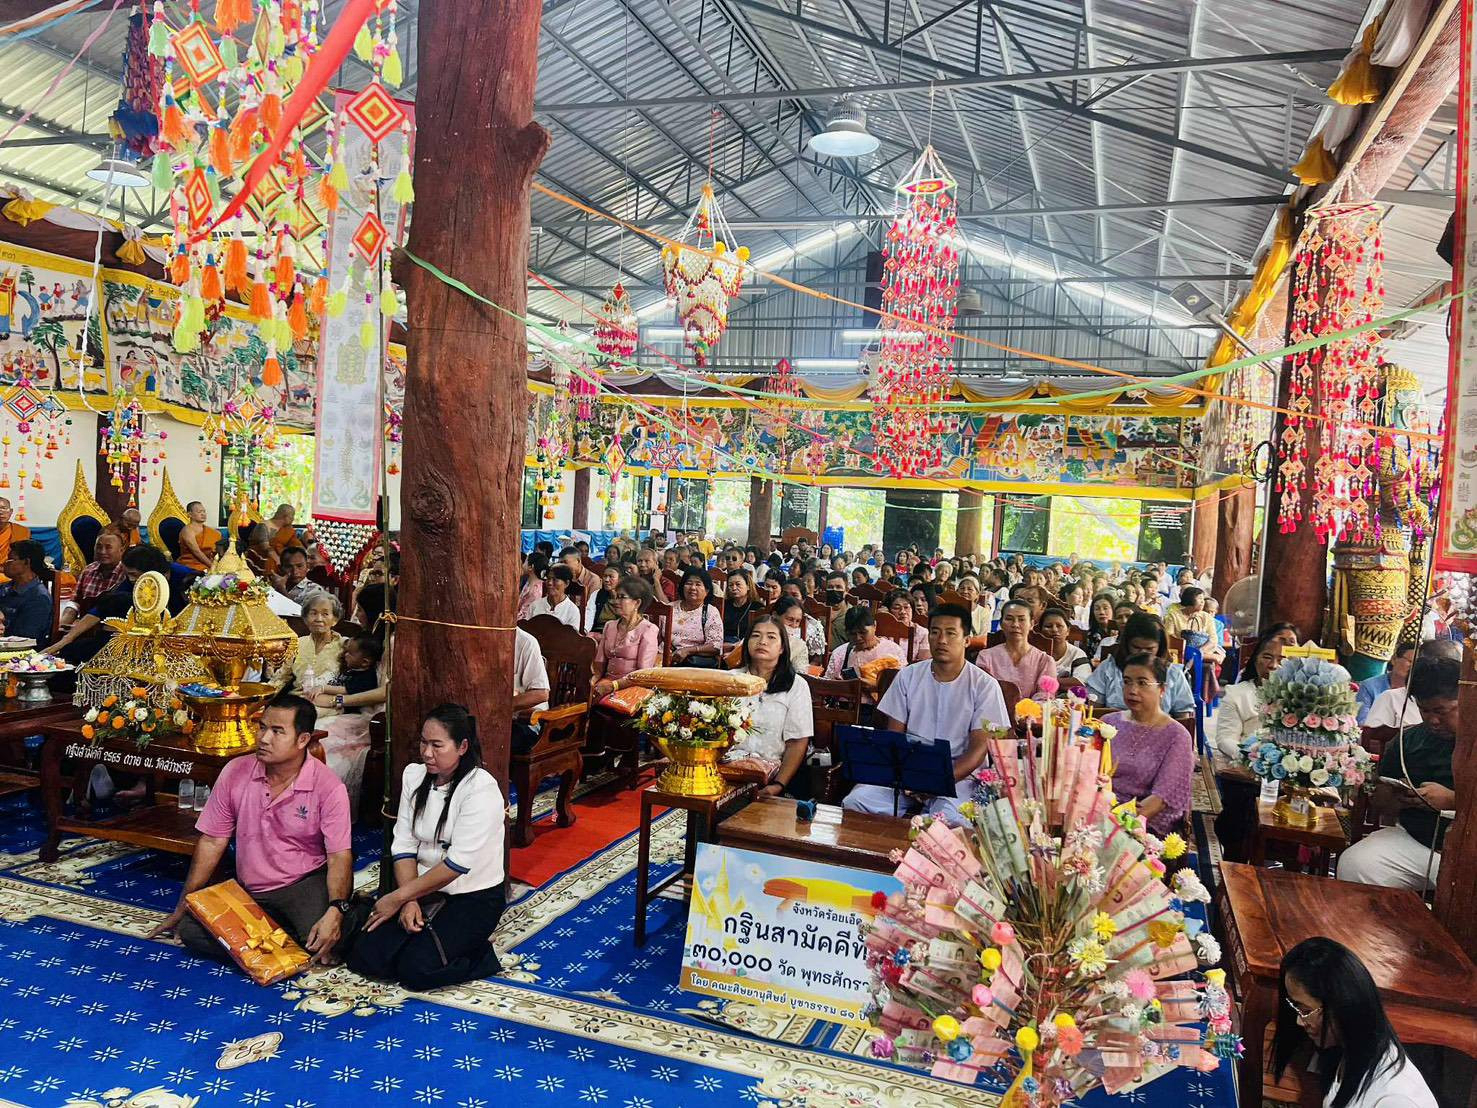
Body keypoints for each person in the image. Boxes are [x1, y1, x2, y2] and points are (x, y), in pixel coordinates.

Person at [149, 695, 352, 968]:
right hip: (249, 889)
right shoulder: (236, 771)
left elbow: (340, 855)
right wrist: (186, 902)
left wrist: (336, 909)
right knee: (190, 931)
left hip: (303, 883)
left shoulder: (328, 786)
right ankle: (279, 937)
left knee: (325, 939)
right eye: (262, 727)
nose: (264, 738)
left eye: (278, 731)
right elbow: (212, 841)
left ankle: (277, 937)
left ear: (303, 740)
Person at [347, 704, 506, 990]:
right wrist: (409, 900)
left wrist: (397, 898)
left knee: (416, 971)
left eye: (437, 745)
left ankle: (482, 955)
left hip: (472, 896)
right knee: (365, 957)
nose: (427, 753)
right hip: (420, 888)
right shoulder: (414, 776)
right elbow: (405, 845)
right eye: (423, 742)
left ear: (462, 747)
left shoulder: (481, 789)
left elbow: (456, 865)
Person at [843, 603, 1009, 824]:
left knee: (949, 822)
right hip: (907, 772)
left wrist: (934, 781)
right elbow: (895, 739)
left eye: (951, 633)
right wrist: (909, 778)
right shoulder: (908, 676)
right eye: (935, 632)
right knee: (856, 802)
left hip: (957, 777)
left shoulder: (984, 685)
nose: (941, 640)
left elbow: (977, 753)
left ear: (967, 640)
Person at [1337, 656, 1459, 892]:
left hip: (1468, 855)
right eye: (1424, 710)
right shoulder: (1409, 740)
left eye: (1442, 711)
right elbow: (1381, 803)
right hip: (1418, 842)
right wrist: (1395, 796)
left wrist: (1453, 801)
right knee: (1357, 864)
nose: (1433, 720)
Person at [1273, 937, 1438, 1108]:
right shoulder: (1350, 1051)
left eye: (1306, 1011)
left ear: (1342, 1005)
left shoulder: (1396, 1099)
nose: (1299, 1021)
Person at [1211, 622, 1299, 862]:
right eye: (1267, 657)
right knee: (1242, 810)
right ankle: (1236, 866)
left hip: (1291, 775)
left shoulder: (1303, 698)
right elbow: (1225, 739)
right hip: (1248, 772)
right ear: (1256, 658)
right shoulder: (1239, 693)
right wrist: (1252, 759)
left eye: (1282, 659)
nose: (1273, 665)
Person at [1102, 653, 1194, 836]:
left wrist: (1116, 823)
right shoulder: (1108, 722)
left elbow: (1159, 800)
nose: (1132, 690)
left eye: (1142, 683)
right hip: (1100, 810)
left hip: (1143, 822)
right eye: (1127, 682)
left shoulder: (1177, 735)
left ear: (1162, 689)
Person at [723, 615, 814, 796]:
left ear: (782, 648)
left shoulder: (796, 686)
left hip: (771, 776)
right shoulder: (730, 680)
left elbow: (797, 742)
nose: (762, 641)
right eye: (756, 636)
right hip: (726, 772)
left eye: (771, 637)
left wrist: (778, 785)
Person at [1086, 612, 1196, 718]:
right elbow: (1093, 710)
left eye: (1149, 649)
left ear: (1160, 647)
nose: (1142, 653)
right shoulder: (1109, 668)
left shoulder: (1173, 673)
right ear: (1126, 644)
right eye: (1136, 647)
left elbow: (1183, 717)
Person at [976, 599, 1055, 700]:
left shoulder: (1044, 660)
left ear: (1031, 624)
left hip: (1032, 713)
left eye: (1021, 619)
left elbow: (1045, 697)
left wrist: (1025, 711)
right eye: (1009, 619)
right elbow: (983, 693)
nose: (1015, 625)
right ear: (1001, 624)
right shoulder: (986, 657)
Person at [592, 577, 659, 696]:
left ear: (637, 603)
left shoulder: (648, 630)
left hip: (633, 687)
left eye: (622, 597)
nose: (615, 602)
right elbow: (599, 664)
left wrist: (614, 686)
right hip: (606, 683)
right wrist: (592, 682)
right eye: (616, 597)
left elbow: (642, 674)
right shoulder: (609, 626)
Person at [824, 606, 906, 693]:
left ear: (874, 626)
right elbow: (827, 685)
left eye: (863, 632)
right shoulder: (840, 653)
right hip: (846, 704)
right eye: (852, 634)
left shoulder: (893, 651)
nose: (858, 638)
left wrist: (877, 686)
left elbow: (903, 685)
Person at [61, 529, 126, 627]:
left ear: (121, 550)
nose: (102, 552)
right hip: (82, 629)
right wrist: (62, 625)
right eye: (99, 547)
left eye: (108, 548)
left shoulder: (126, 575)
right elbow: (75, 603)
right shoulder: (88, 570)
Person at [292, 592, 346, 701]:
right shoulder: (297, 643)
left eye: (325, 614)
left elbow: (354, 686)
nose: (319, 619)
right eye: (313, 613)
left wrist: (338, 702)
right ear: (305, 618)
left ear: (335, 619)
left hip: (328, 703)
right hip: (296, 700)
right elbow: (280, 678)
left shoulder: (345, 645)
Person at [0, 539, 53, 645]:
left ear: (26, 562)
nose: (5, 563)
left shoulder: (38, 598)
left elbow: (24, 640)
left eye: (11, 559)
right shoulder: (6, 588)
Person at [671, 567, 723, 666]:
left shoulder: (710, 612)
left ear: (707, 590)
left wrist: (688, 651)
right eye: (689, 583)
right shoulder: (669, 607)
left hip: (692, 663)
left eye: (698, 584)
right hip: (664, 658)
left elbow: (716, 646)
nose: (693, 588)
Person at [1162, 586, 1225, 664]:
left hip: (1202, 650)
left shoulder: (1207, 617)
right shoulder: (1173, 616)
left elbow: (1213, 639)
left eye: (1203, 599)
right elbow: (1169, 637)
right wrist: (1187, 649)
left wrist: (1199, 651)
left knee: (1210, 663)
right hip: (1181, 650)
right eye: (1199, 598)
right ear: (1189, 599)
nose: (1203, 602)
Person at [1355, 643, 1414, 725]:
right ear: (1394, 659)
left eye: (1417, 663)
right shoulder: (1369, 686)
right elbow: (1361, 721)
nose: (1413, 666)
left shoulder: (1416, 692)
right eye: (1410, 661)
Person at [1039, 608, 1090, 683]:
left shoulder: (1077, 653)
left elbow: (1081, 681)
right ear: (1040, 631)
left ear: (1068, 631)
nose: (1054, 630)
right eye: (1048, 626)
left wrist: (1045, 682)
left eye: (1059, 626)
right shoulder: (1034, 653)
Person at [526, 564, 581, 630]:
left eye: (555, 580)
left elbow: (572, 639)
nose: (550, 583)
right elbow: (526, 631)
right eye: (548, 579)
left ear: (566, 583)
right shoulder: (535, 606)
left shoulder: (572, 611)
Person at [885, 589, 931, 662]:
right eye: (897, 608)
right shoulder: (883, 630)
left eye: (906, 607)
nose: (903, 612)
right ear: (888, 611)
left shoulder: (922, 633)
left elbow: (923, 662)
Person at [274, 545, 324, 609]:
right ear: (280, 568)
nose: (295, 572)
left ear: (307, 566)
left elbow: (302, 615)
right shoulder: (274, 585)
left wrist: (281, 590)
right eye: (289, 567)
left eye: (299, 566)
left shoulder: (315, 590)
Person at [179, 500, 222, 572]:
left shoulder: (213, 532)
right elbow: (196, 552)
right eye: (199, 512)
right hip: (192, 563)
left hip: (211, 562)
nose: (203, 514)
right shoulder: (187, 531)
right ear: (189, 514)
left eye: (204, 511)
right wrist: (212, 566)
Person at [722, 571, 759, 646]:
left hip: (744, 645)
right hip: (722, 643)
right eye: (730, 585)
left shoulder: (757, 607)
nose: (734, 588)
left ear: (748, 586)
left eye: (738, 584)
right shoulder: (724, 604)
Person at [585, 563, 621, 634]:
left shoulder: (626, 597)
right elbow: (589, 614)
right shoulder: (597, 594)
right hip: (597, 631)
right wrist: (585, 631)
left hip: (617, 633)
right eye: (605, 576)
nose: (607, 580)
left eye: (611, 577)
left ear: (620, 579)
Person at [822, 570, 851, 649]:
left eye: (838, 587)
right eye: (830, 587)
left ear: (846, 591)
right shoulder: (819, 610)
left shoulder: (852, 613)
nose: (834, 590)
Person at [1084, 593, 1117, 662]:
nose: (1101, 612)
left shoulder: (1121, 632)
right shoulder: (1090, 636)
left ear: (1113, 610)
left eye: (1105, 608)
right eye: (1097, 609)